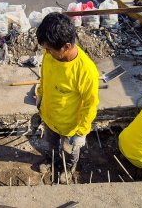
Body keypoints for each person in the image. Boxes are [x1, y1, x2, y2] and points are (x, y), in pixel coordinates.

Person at [35, 13, 100, 183]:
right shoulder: (49, 55)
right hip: (49, 116)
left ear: (67, 46)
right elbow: (44, 76)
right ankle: (52, 160)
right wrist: (41, 94)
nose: (46, 52)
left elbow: (90, 104)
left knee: (70, 151)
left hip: (71, 126)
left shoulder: (85, 71)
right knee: (51, 144)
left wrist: (82, 132)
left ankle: (68, 167)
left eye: (50, 49)